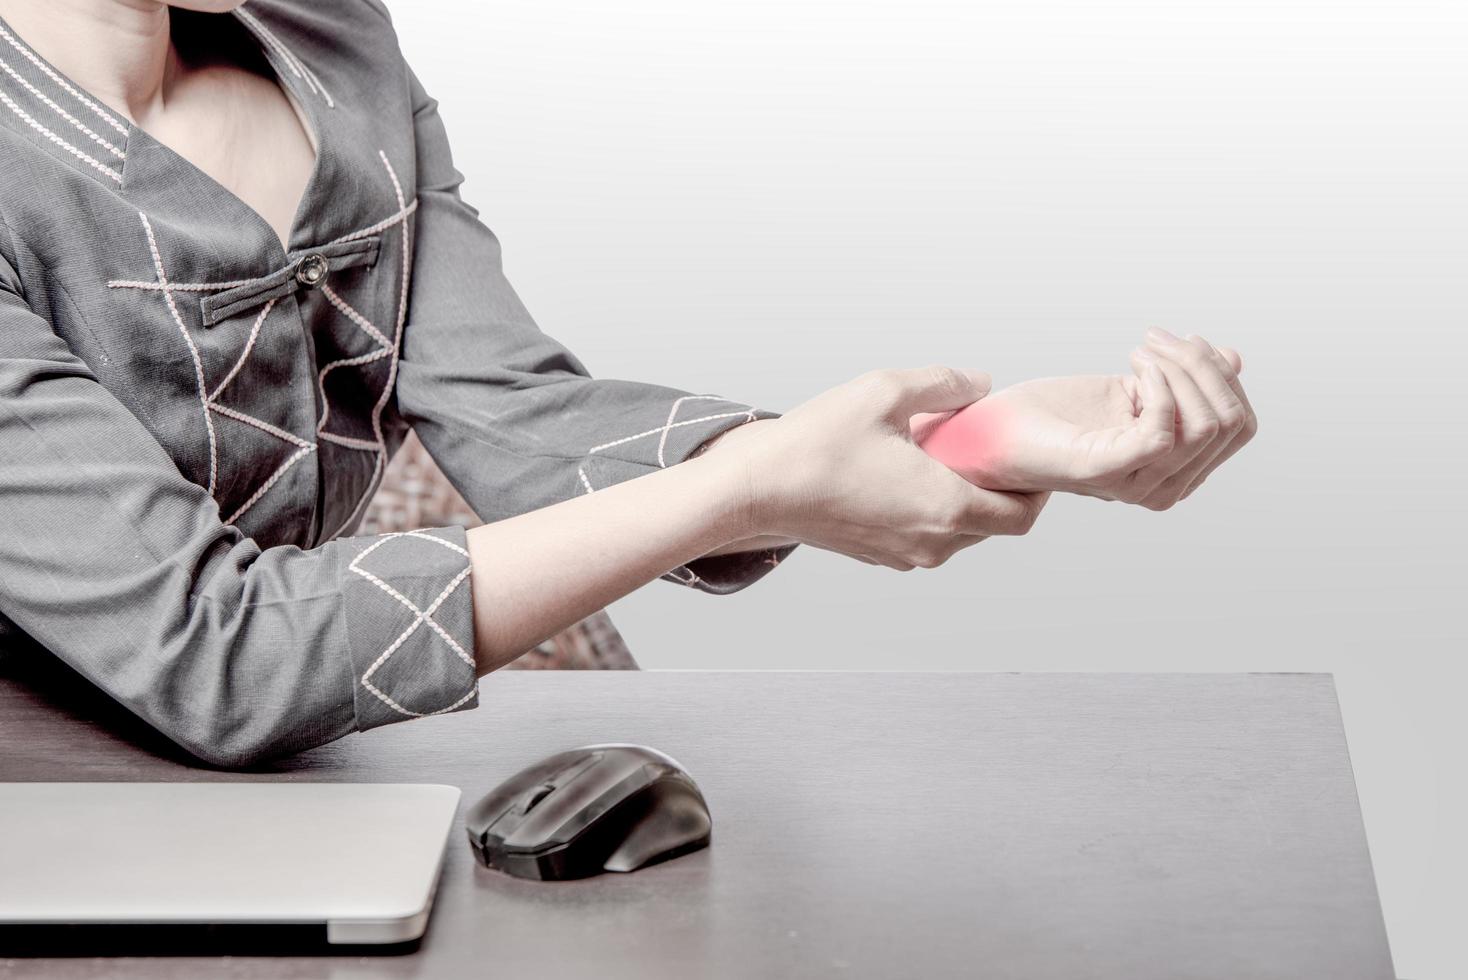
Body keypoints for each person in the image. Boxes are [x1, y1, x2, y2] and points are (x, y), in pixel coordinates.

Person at [0, 0, 1256, 768]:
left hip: (300, 769)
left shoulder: (333, 41)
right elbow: (215, 654)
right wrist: (746, 491)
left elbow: (513, 412)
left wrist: (965, 437)